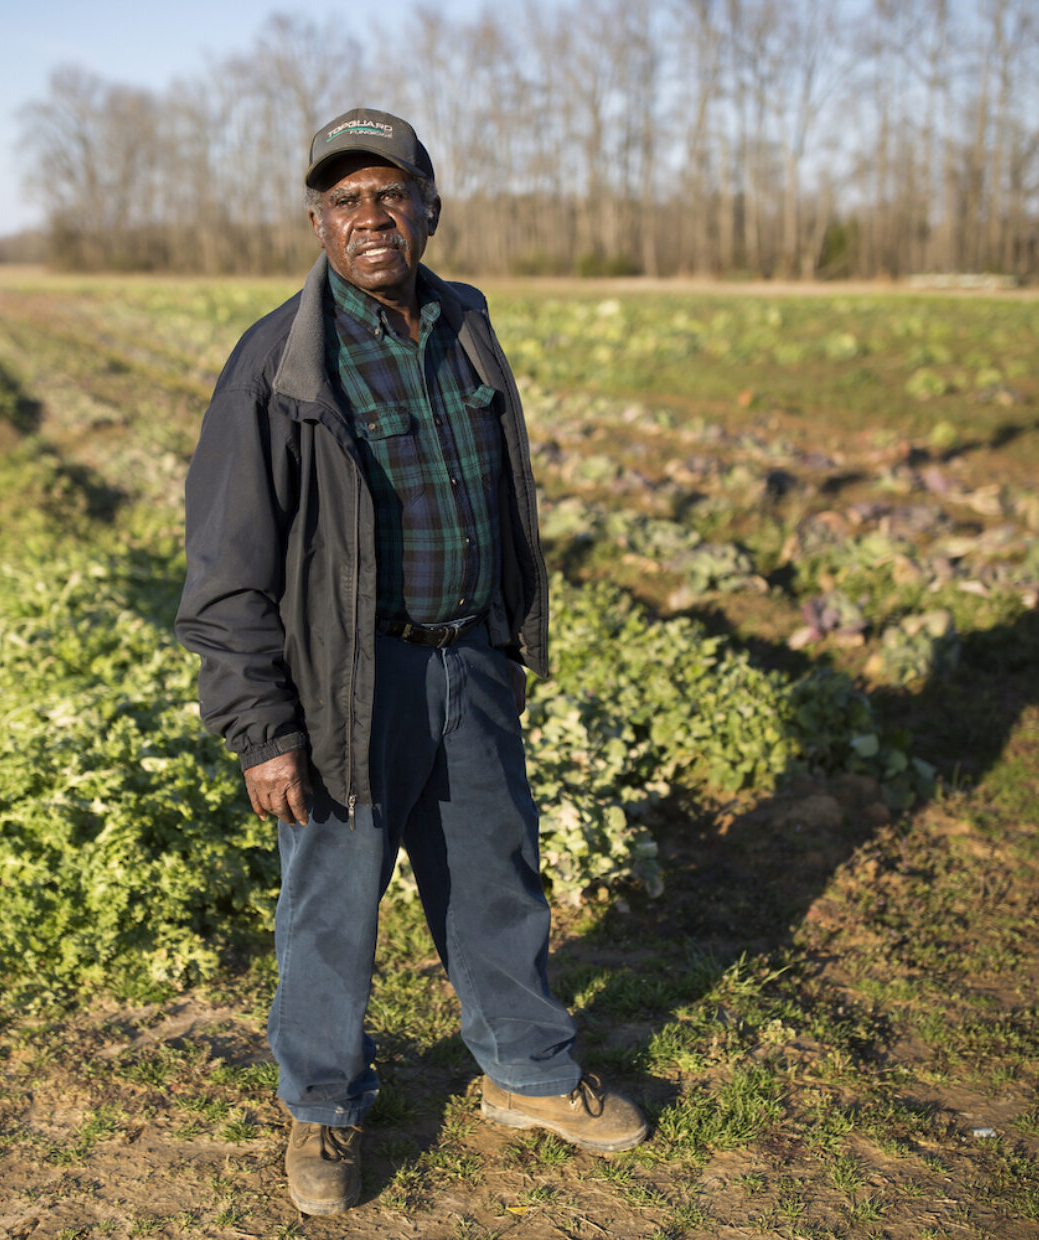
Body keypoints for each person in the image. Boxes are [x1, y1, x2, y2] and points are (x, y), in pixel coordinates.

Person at [176, 107, 648, 1217]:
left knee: (496, 880)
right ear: (317, 223)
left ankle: (528, 1073)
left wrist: (508, 635)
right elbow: (226, 572)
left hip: (470, 660)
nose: (370, 216)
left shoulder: (466, 324)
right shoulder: (277, 366)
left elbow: (502, 492)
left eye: (390, 194)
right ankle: (325, 1107)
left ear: (430, 208)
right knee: (331, 906)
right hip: (349, 682)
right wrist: (264, 729)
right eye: (346, 201)